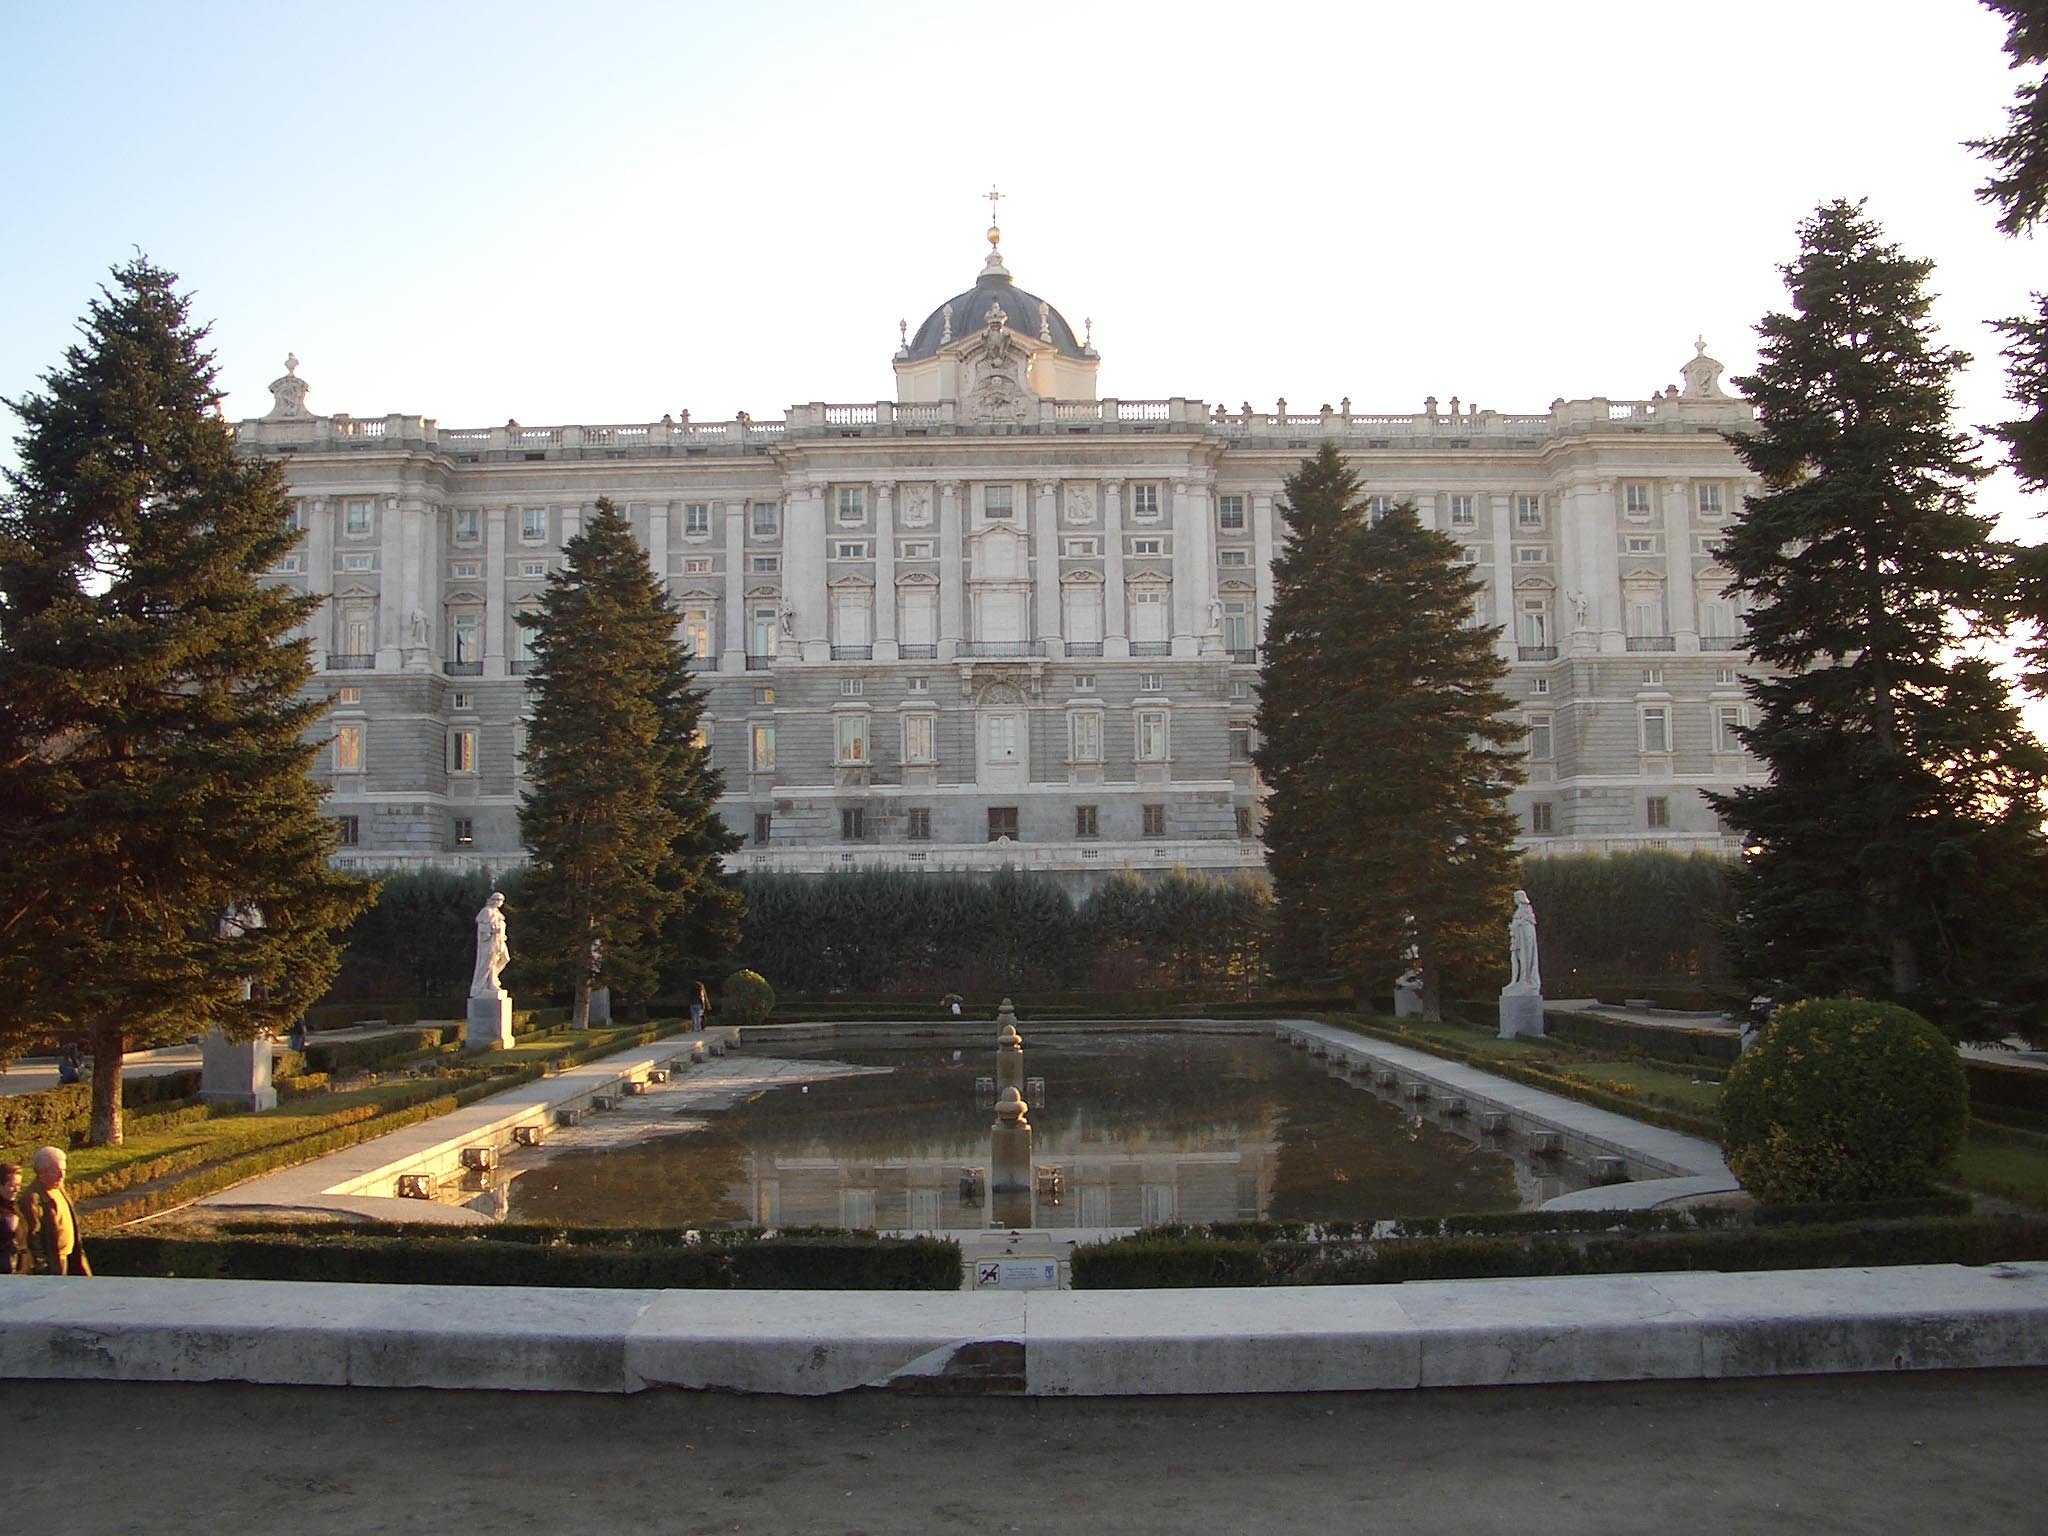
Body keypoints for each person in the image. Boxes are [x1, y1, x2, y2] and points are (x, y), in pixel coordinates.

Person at [19, 1147, 90, 1276]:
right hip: (54, 1263)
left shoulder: (59, 1189)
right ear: (42, 1172)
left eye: (63, 1170)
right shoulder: (33, 1198)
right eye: (56, 1171)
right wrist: (42, 1266)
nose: (62, 1175)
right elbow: (33, 1237)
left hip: (70, 1257)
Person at [0, 1164, 24, 1274]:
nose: (16, 1190)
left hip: (21, 1270)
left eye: (18, 1185)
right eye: (12, 1185)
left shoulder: (14, 1206)